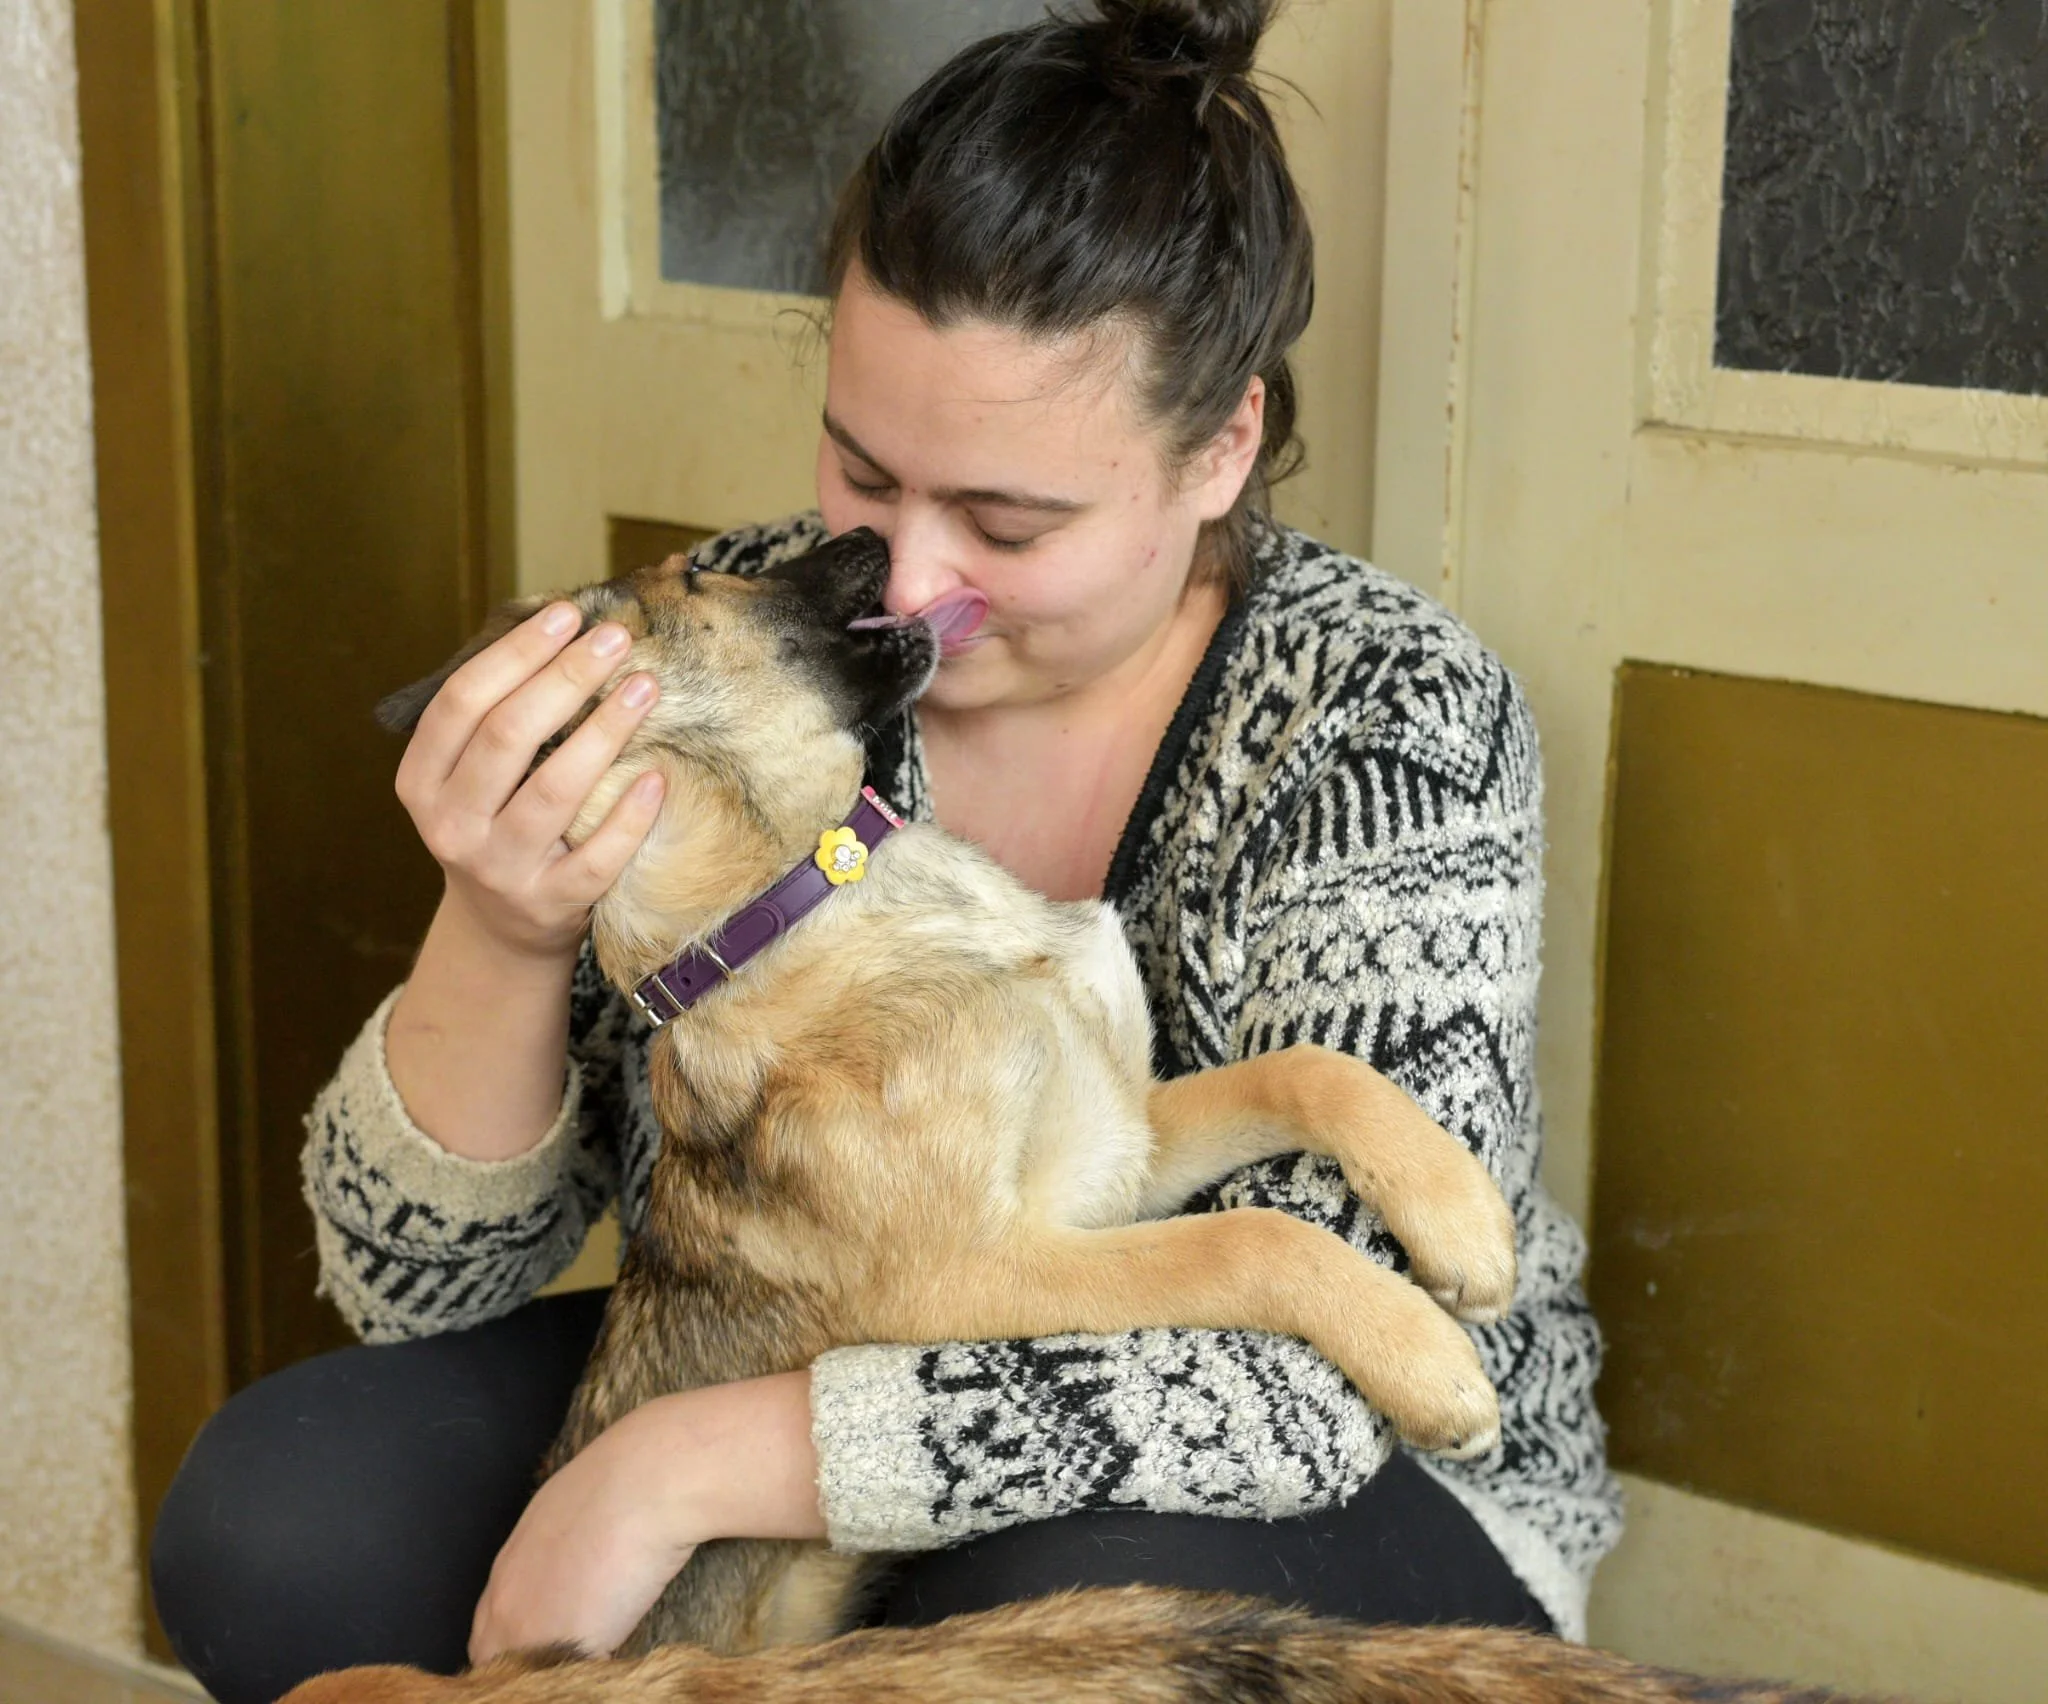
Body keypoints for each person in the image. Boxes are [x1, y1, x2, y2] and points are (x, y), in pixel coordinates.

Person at [150, 3, 1622, 1699]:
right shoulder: (748, 648)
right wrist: (499, 922)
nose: (909, 584)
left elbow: (1297, 1389)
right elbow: (413, 1281)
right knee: (275, 1526)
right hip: (806, 1342)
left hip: (1326, 1472)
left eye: (1009, 522)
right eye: (864, 470)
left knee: (1042, 1617)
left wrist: (693, 1464)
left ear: (1221, 445)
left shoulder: (1385, 714)